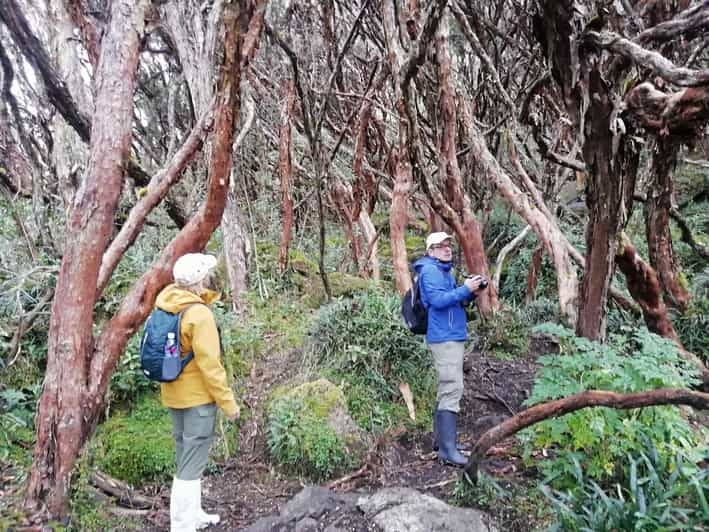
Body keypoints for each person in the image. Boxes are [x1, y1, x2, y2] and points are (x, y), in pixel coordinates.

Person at [155, 253, 240, 531]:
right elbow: (210, 366)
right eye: (205, 274)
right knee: (191, 465)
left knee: (186, 456)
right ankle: (182, 525)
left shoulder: (167, 303)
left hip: (174, 395)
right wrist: (228, 404)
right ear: (199, 280)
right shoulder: (199, 314)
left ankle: (195, 513)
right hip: (197, 401)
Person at [413, 232, 486, 467]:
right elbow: (438, 301)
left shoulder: (443, 271)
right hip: (443, 337)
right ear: (430, 251)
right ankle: (448, 452)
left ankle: (441, 442)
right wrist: (465, 289)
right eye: (440, 246)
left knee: (447, 386)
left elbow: (453, 300)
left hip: (451, 334)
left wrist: (470, 293)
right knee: (452, 387)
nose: (447, 249)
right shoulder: (430, 271)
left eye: (448, 245)